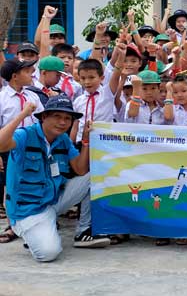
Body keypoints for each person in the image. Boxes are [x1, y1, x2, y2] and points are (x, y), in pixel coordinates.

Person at [0, 96, 110, 261]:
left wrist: (86, 141)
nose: (63, 122)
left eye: (67, 118)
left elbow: (80, 170)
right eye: (57, 116)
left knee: (94, 177)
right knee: (48, 254)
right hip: (28, 209)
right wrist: (23, 114)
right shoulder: (25, 135)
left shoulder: (63, 139)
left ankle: (83, 232)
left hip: (54, 200)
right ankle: (32, 232)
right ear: (44, 117)